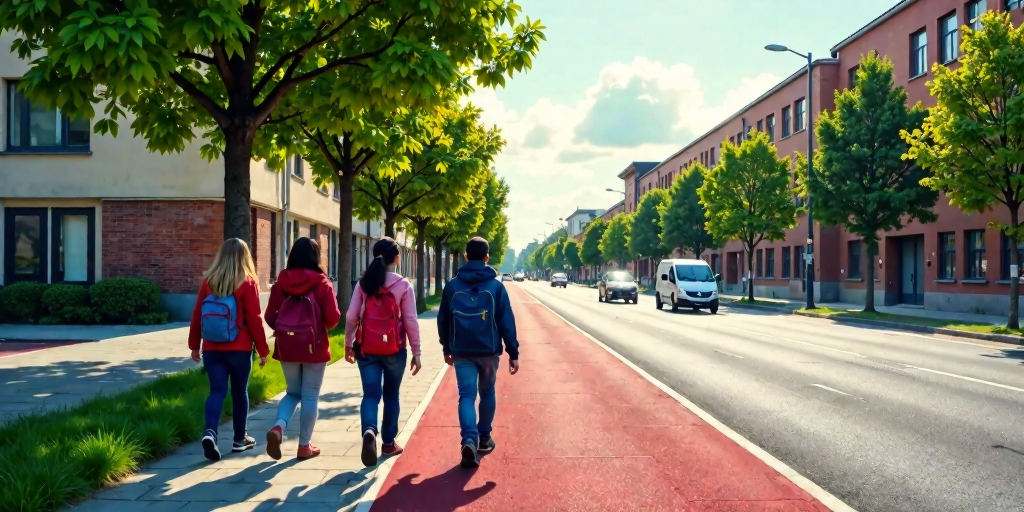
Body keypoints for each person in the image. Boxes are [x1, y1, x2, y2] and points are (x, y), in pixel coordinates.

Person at [437, 236, 519, 468]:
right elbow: (506, 321)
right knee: (488, 392)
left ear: (465, 256)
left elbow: (443, 320)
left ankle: (468, 440)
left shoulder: (452, 286)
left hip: (461, 350)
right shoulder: (496, 287)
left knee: (466, 395)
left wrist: (446, 346)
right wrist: (513, 352)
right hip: (489, 350)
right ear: (487, 257)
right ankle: (484, 437)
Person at [188, 238, 269, 461]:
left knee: (216, 391)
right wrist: (263, 349)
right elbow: (254, 319)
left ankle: (210, 433)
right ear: (245, 257)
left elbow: (197, 315)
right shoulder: (248, 282)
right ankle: (239, 440)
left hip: (213, 347)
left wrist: (194, 345)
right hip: (240, 348)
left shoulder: (209, 281)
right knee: (239, 392)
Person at [345, 237, 422, 467]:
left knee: (370, 395)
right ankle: (388, 443)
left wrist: (348, 343)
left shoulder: (363, 284)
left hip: (366, 349)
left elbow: (351, 317)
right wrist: (417, 352)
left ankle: (369, 430)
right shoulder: (403, 285)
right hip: (394, 350)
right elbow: (410, 321)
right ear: (396, 259)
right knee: (391, 395)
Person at [264, 237, 342, 460]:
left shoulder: (281, 283)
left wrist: (285, 331)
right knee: (310, 395)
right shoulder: (322, 283)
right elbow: (334, 319)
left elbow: (270, 316)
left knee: (292, 392)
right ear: (315, 257)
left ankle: (278, 427)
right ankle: (304, 446)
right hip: (314, 347)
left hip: (287, 347)